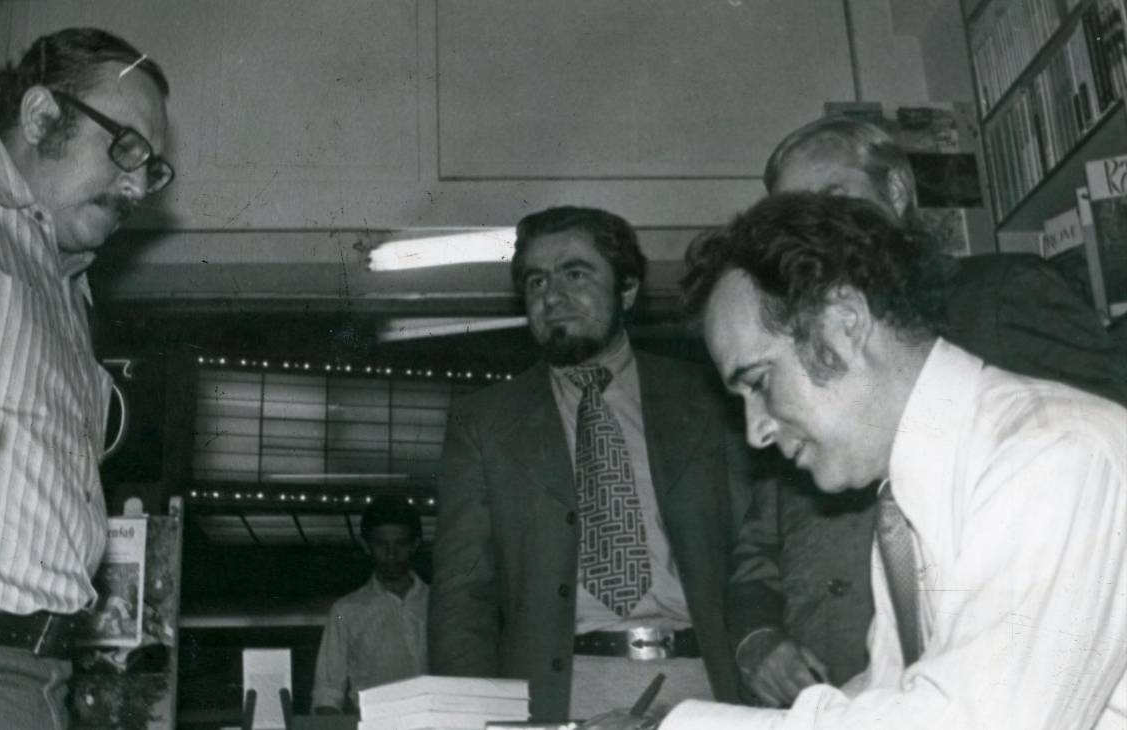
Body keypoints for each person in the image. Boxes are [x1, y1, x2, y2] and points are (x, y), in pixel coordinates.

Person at [660, 190, 1127, 729]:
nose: (756, 430)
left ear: (845, 323)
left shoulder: (1052, 457)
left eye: (761, 382)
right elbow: (896, 699)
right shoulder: (904, 504)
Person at [429, 206, 770, 722]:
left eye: (575, 273)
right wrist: (471, 719)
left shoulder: (708, 398)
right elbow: (462, 599)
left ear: (627, 290)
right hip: (559, 694)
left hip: (705, 684)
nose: (552, 294)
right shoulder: (485, 423)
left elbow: (759, 552)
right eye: (536, 280)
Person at [0, 28, 172, 729]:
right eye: (127, 149)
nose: (139, 186)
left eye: (153, 169)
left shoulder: (64, 280)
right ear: (40, 118)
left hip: (48, 671)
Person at [312, 495, 429, 716]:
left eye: (401, 543)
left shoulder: (438, 605)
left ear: (416, 544)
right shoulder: (344, 611)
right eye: (381, 544)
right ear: (366, 545)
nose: (391, 554)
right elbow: (327, 691)